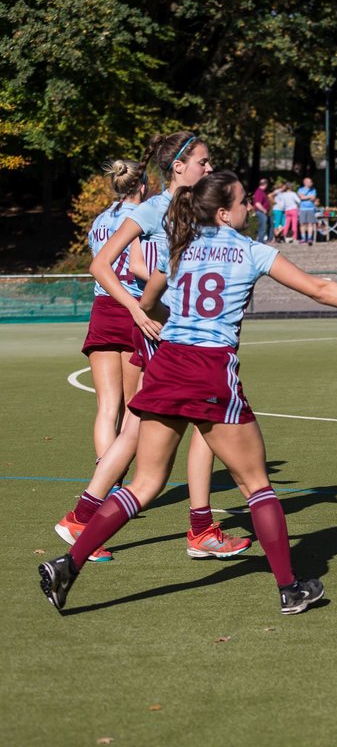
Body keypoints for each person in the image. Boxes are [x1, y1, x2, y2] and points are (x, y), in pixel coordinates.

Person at [39, 171, 337, 614]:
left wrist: (179, 316)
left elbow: (147, 304)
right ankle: (289, 588)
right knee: (256, 484)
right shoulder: (250, 251)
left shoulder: (178, 249)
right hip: (209, 368)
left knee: (143, 483)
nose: (252, 207)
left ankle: (69, 563)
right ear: (224, 212)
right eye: (244, 202)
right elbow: (320, 289)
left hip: (168, 363)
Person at [77, 130, 249, 561]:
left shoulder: (194, 208)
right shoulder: (155, 207)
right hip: (165, 335)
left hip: (188, 333)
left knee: (159, 428)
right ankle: (87, 521)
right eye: (202, 162)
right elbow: (104, 265)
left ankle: (194, 527)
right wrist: (137, 310)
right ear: (178, 167)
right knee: (151, 430)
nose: (208, 168)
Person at [82, 160, 149, 469]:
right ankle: (114, 483)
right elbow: (142, 268)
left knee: (106, 408)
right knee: (132, 408)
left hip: (102, 308)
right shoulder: (145, 219)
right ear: (144, 186)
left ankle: (103, 482)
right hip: (133, 308)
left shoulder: (99, 221)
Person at [297, 176, 318, 244]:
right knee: (302, 224)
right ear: (305, 182)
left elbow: (313, 198)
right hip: (302, 209)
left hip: (311, 208)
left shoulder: (313, 190)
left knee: (310, 223)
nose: (311, 183)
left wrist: (305, 197)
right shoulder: (300, 189)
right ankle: (303, 238)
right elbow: (301, 198)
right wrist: (309, 197)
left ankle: (309, 238)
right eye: (310, 182)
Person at [252, 177, 271, 243]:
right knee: (262, 227)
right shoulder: (259, 192)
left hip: (261, 212)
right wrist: (264, 210)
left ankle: (261, 240)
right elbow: (257, 203)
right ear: (265, 184)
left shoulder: (261, 192)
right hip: (260, 212)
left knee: (262, 227)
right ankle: (260, 241)